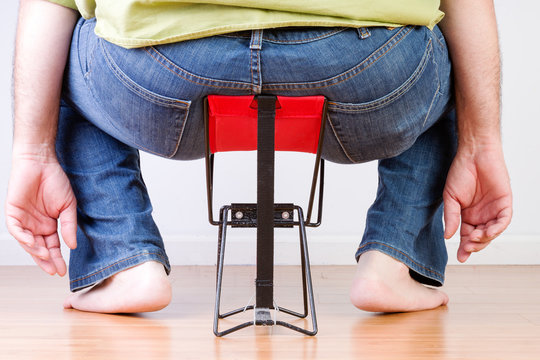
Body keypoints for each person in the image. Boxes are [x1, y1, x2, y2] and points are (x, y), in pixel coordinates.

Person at [6, 0, 512, 314]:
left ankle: (123, 262)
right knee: (445, 56)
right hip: (370, 72)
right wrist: (482, 140)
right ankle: (395, 262)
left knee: (70, 56)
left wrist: (32, 151)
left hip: (156, 76)